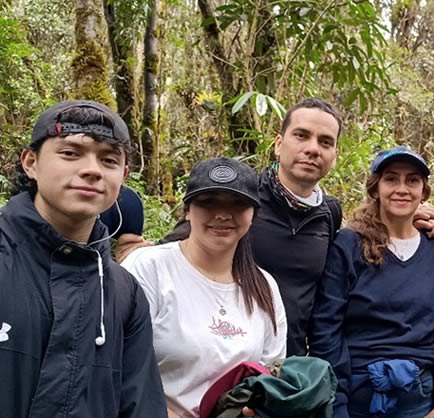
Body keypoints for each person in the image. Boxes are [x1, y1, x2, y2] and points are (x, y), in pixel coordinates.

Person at [117, 97, 343, 357]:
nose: (313, 149)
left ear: (334, 155)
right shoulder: (241, 200)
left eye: (325, 142)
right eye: (301, 136)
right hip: (214, 351)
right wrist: (138, 259)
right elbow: (183, 247)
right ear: (278, 145)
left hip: (281, 363)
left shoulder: (328, 214)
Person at [0, 100, 167, 417]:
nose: (91, 169)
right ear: (30, 162)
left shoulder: (123, 293)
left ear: (123, 176)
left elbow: (141, 405)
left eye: (108, 159)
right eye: (70, 153)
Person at [121, 157, 287, 418]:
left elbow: (268, 375)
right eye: (208, 202)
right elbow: (118, 367)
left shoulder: (264, 287)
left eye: (237, 204)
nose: (222, 214)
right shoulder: (149, 268)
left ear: (253, 214)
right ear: (187, 210)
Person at [310, 146, 434, 418]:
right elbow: (326, 328)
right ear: (375, 188)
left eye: (412, 180)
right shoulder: (348, 245)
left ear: (424, 192)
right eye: (391, 179)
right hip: (359, 394)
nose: (402, 188)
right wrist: (337, 403)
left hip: (421, 397)